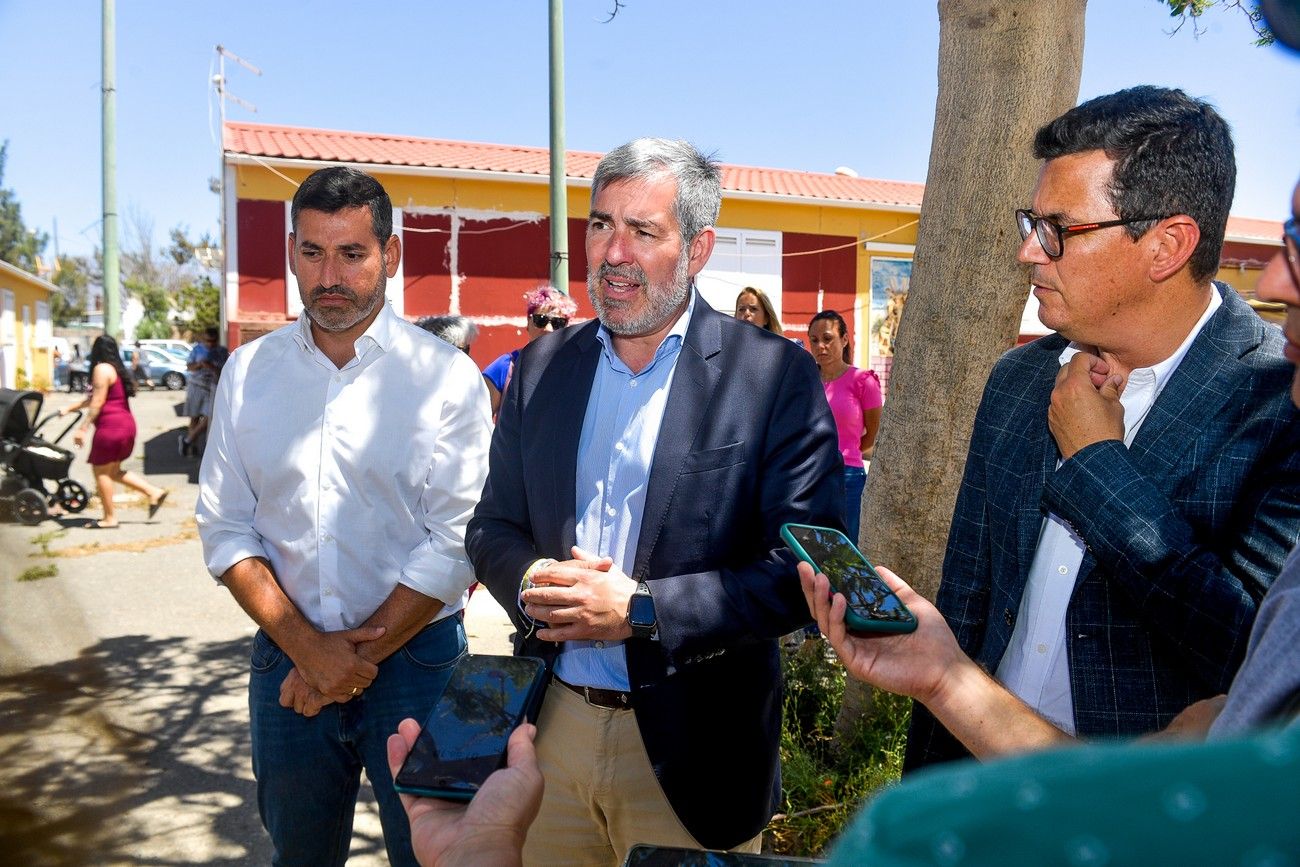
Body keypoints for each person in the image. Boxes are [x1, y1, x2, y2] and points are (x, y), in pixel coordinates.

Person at [466, 137, 843, 863]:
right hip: (553, 735)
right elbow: (491, 526)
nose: (614, 252)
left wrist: (640, 610)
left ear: (697, 249)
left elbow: (805, 568)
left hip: (697, 751)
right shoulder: (541, 370)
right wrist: (537, 584)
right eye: (601, 225)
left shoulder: (772, 377)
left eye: (643, 231)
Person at [903, 85, 1300, 770]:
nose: (1031, 251)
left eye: (1059, 228)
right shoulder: (1016, 380)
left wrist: (1096, 462)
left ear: (1167, 245)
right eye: (1031, 222)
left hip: (1143, 821)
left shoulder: (1278, 400)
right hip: (985, 798)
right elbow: (966, 610)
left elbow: (1250, 654)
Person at [195, 166, 492, 867]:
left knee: (437, 857)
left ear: (390, 255)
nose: (329, 275)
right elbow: (225, 523)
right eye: (311, 252)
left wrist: (343, 658)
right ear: (291, 251)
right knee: (298, 855)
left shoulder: (444, 377)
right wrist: (305, 645)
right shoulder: (249, 372)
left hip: (420, 661)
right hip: (285, 663)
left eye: (351, 254)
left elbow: (457, 539)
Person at [59, 335, 168, 529]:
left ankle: (110, 518)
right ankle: (153, 492)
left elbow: (98, 402)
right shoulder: (116, 369)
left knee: (100, 471)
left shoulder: (101, 369)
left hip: (111, 427)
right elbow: (98, 399)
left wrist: (82, 428)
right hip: (125, 425)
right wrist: (69, 408)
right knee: (113, 471)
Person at [807, 309, 883, 543]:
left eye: (828, 338)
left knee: (847, 547)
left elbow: (873, 434)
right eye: (815, 340)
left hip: (848, 476)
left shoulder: (863, 381)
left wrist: (849, 451)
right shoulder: (806, 382)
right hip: (811, 475)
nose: (821, 346)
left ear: (845, 339)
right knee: (813, 546)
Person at [481, 286, 578, 415]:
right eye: (541, 320)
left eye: (557, 323)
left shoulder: (576, 369)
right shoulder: (505, 367)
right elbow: (478, 423)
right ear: (528, 322)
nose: (548, 329)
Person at [178, 327, 227, 456]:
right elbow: (189, 367)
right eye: (207, 341)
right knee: (194, 417)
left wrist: (211, 366)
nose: (210, 344)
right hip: (196, 386)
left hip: (211, 387)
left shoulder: (221, 352)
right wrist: (199, 364)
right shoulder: (197, 349)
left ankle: (187, 440)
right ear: (203, 339)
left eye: (213, 341)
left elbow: (223, 370)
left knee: (209, 417)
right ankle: (192, 447)